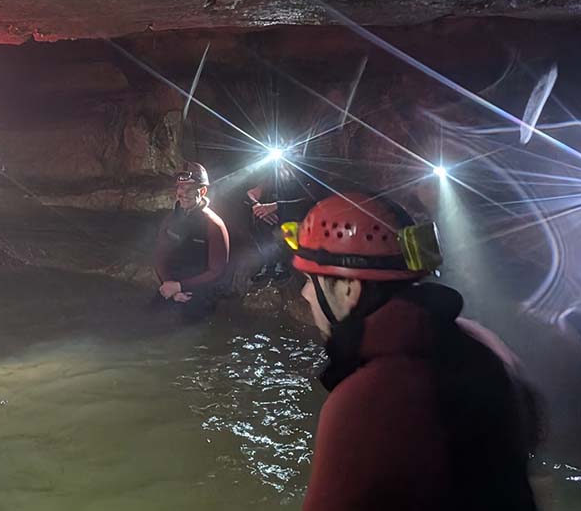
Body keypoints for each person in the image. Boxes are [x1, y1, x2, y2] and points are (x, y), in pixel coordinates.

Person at [292, 192, 541, 511]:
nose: (305, 293)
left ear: (349, 288)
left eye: (312, 280)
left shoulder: (366, 400)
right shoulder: (486, 347)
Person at [153, 162, 230, 316]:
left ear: (202, 191)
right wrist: (169, 285)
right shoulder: (171, 218)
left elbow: (217, 271)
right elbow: (160, 256)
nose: (183, 193)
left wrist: (180, 286)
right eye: (180, 188)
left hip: (200, 288)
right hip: (172, 284)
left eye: (189, 189)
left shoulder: (213, 224)